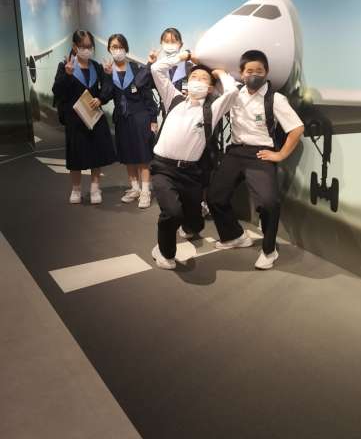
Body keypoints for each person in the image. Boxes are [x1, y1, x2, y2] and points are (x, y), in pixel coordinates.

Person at [207, 50, 304, 270]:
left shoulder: (275, 99)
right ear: (241, 73)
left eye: (259, 71)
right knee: (214, 196)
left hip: (261, 153)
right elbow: (214, 74)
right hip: (235, 151)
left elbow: (297, 128)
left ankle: (269, 250)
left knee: (269, 203)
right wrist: (217, 71)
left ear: (266, 72)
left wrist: (280, 154)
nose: (254, 75)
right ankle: (234, 236)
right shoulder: (234, 93)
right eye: (249, 71)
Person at [149, 49, 238, 270]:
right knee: (172, 213)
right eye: (193, 77)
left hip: (190, 173)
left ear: (210, 88)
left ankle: (191, 226)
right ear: (187, 82)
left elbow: (232, 93)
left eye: (203, 79)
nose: (197, 81)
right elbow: (156, 69)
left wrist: (220, 73)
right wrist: (184, 56)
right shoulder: (173, 98)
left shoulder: (212, 109)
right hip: (163, 167)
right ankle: (164, 252)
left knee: (194, 220)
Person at [52, 29, 115, 204]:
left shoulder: (96, 67)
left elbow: (107, 88)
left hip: (94, 117)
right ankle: (76, 189)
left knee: (96, 153)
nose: (86, 50)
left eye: (89, 46)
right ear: (75, 47)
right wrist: (67, 75)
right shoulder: (65, 66)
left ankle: (95, 188)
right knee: (76, 155)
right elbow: (57, 90)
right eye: (83, 46)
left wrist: (101, 98)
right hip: (75, 119)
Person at [102, 33, 158, 207]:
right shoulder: (108, 71)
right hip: (122, 119)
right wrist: (107, 76)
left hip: (140, 118)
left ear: (126, 48)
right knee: (128, 156)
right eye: (114, 47)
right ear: (109, 49)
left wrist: (153, 118)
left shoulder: (135, 69)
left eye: (120, 47)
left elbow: (148, 96)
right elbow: (105, 96)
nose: (117, 50)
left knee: (143, 156)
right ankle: (134, 188)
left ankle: (145, 191)